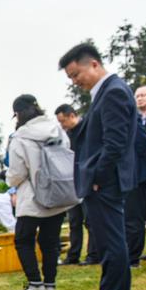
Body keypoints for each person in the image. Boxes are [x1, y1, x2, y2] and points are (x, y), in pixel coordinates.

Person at [59, 43, 135, 290]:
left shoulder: (113, 92)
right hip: (104, 179)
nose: (75, 81)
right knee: (111, 238)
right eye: (70, 78)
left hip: (105, 180)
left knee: (110, 239)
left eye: (75, 74)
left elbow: (115, 143)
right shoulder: (106, 92)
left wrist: (97, 177)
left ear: (93, 64)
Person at [5, 95, 69, 290]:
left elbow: (16, 172)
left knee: (24, 240)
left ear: (18, 114)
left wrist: (9, 181)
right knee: (50, 242)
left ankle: (35, 285)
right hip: (58, 194)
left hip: (31, 197)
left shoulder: (20, 137)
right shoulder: (56, 129)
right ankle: (50, 285)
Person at [124, 86, 146, 267]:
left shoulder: (132, 120)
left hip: (138, 173)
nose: (139, 99)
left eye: (142, 95)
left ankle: (133, 257)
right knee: (134, 216)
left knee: (135, 217)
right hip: (132, 173)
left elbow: (143, 145)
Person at [54, 104, 93, 265]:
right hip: (72, 181)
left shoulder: (88, 129)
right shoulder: (66, 136)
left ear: (71, 116)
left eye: (63, 121)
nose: (62, 125)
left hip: (86, 179)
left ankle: (93, 254)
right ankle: (73, 255)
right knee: (74, 220)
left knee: (90, 220)